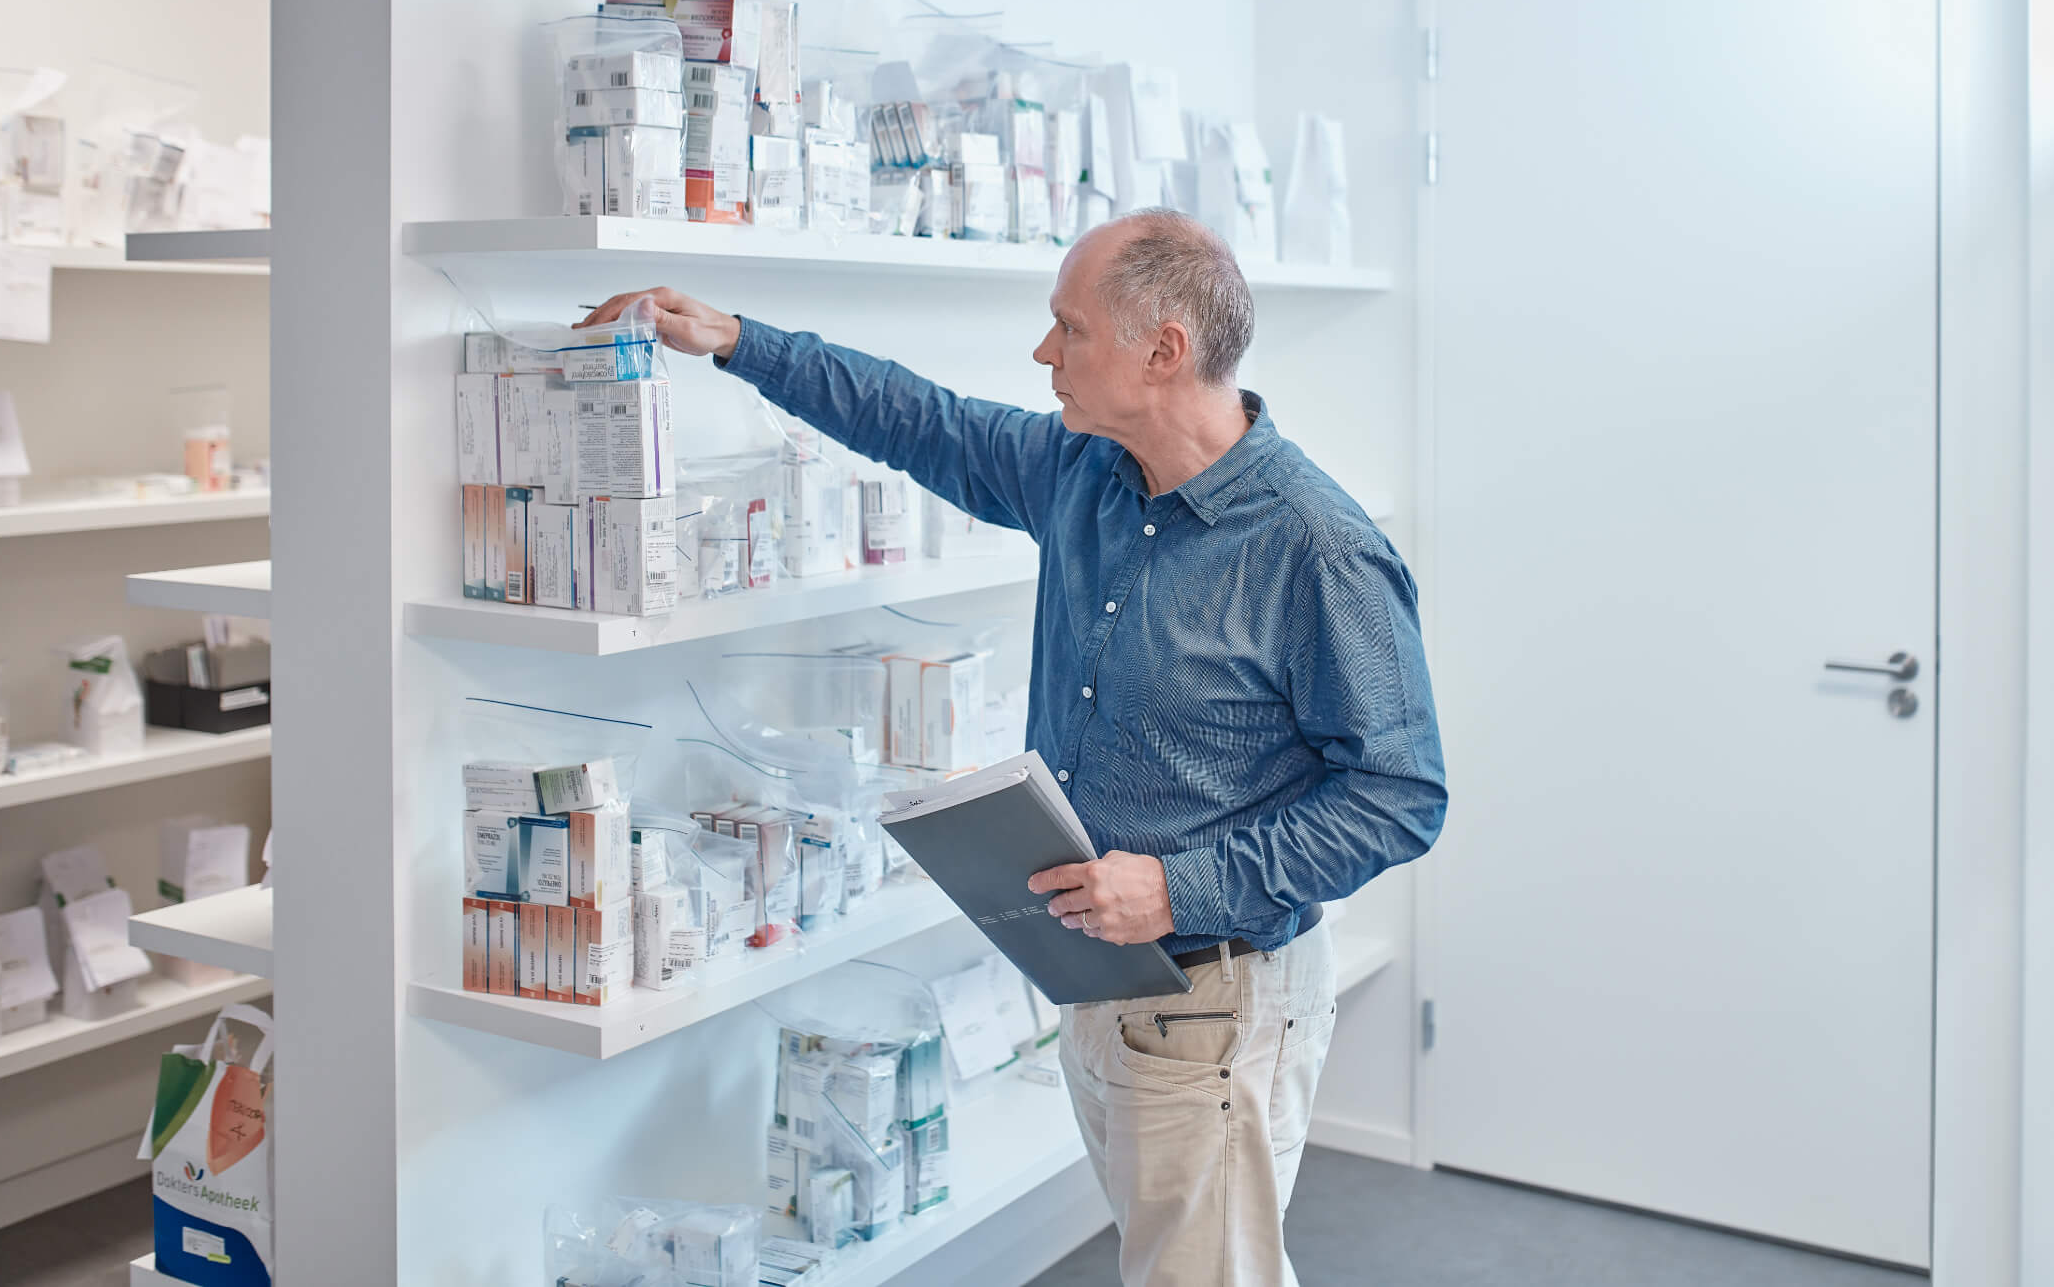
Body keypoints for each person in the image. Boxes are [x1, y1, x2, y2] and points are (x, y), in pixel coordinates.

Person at [578, 207, 1445, 1287]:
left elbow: (1399, 796)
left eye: (1069, 328)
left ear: (1164, 351)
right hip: (1097, 978)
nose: (1044, 353)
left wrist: (1177, 888)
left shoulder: (1315, 548)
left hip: (1212, 1002)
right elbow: (922, 419)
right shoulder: (1086, 474)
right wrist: (740, 342)